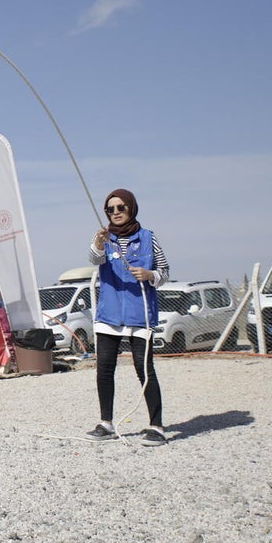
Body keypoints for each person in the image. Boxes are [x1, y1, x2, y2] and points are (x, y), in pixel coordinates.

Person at [86, 188, 169, 447]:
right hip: (108, 315)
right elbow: (94, 258)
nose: (116, 213)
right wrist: (98, 243)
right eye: (110, 209)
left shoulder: (148, 237)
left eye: (121, 207)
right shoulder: (104, 239)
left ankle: (156, 427)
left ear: (131, 208)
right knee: (104, 370)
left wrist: (150, 275)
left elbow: (164, 271)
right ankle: (106, 423)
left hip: (139, 314)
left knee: (145, 371)